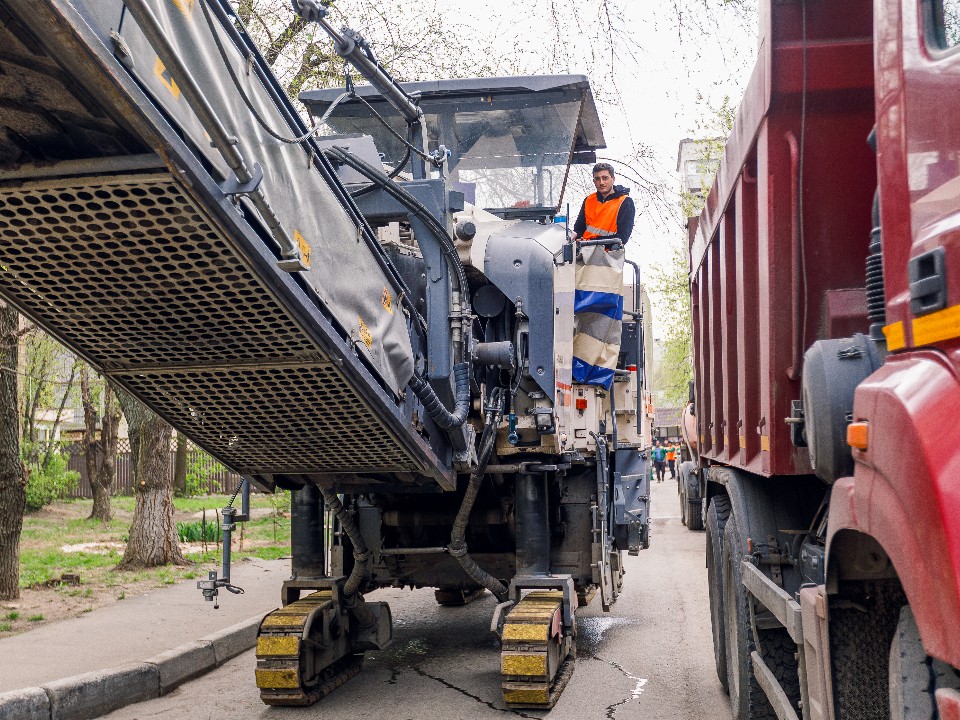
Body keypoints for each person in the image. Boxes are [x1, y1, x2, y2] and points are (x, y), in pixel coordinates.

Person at [573, 162, 636, 245]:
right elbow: (578, 229)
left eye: (605, 178)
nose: (601, 182)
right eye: (597, 179)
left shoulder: (625, 202)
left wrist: (591, 241)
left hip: (610, 254)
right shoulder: (588, 200)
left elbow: (622, 238)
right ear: (594, 181)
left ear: (613, 179)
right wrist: (579, 239)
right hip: (585, 251)